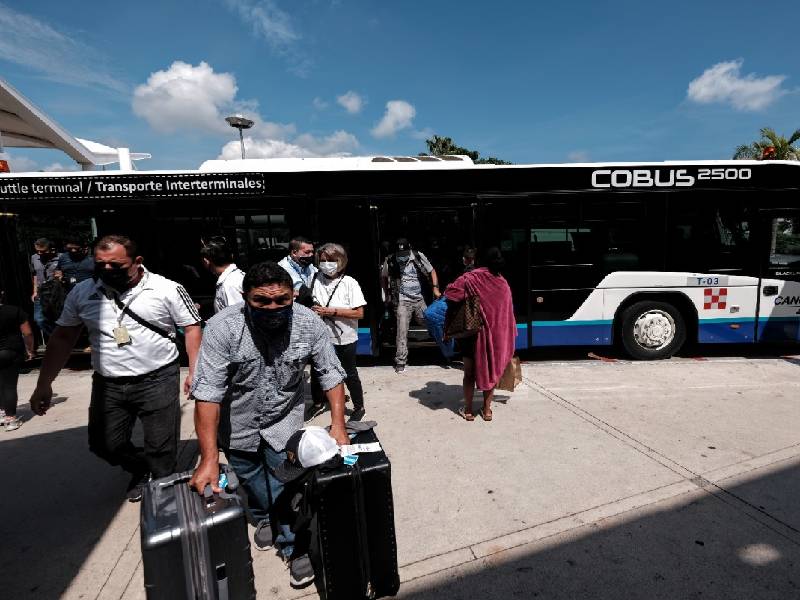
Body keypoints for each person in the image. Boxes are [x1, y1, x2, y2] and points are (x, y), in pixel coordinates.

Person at [188, 261, 348, 589]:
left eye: (281, 300)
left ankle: (294, 546)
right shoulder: (222, 328)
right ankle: (263, 518)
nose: (272, 307)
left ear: (294, 296)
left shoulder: (309, 324)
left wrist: (338, 424)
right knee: (252, 484)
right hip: (237, 427)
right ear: (245, 297)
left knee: (287, 488)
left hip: (284, 423)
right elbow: (207, 393)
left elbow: (330, 372)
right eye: (262, 301)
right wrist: (208, 458)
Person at [28, 234, 202, 502]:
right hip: (108, 382)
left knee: (162, 448)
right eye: (101, 264)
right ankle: (141, 467)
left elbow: (191, 327)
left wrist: (194, 369)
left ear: (137, 261)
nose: (107, 270)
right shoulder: (82, 292)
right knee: (104, 444)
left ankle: (163, 496)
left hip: (157, 378)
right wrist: (44, 384)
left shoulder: (166, 289)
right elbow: (63, 338)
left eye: (116, 265)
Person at [444, 247, 515, 422]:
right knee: (491, 372)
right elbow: (507, 315)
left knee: (469, 373)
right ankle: (487, 410)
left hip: (472, 335)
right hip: (495, 338)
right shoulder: (503, 284)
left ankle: (468, 411)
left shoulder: (471, 278)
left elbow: (451, 294)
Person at [308, 243, 367, 421]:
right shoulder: (315, 278)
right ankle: (318, 403)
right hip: (320, 335)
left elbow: (359, 313)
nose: (327, 264)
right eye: (323, 260)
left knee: (349, 371)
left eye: (331, 260)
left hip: (345, 335)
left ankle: (359, 406)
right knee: (318, 371)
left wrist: (331, 311)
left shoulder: (350, 283)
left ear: (340, 261)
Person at [381, 238, 440, 373]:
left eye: (404, 254)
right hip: (402, 300)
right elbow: (383, 276)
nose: (402, 258)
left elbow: (432, 271)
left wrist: (435, 288)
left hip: (420, 299)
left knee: (431, 321)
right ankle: (401, 361)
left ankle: (445, 349)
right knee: (401, 330)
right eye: (400, 255)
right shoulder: (390, 260)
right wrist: (386, 294)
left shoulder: (418, 256)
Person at [0, 289, 35, 431]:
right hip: (11, 350)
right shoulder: (14, 311)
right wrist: (30, 349)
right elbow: (28, 333)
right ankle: (11, 419)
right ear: (2, 293)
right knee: (9, 385)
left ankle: (2, 412)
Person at [200, 237, 245, 313]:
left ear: (206, 261)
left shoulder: (229, 285)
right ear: (231, 256)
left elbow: (236, 319)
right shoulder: (235, 277)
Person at [30, 237, 59, 343]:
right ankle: (58, 339)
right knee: (39, 319)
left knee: (57, 319)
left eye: (42, 251)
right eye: (37, 251)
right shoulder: (34, 258)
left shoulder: (60, 258)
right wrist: (35, 291)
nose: (39, 253)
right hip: (41, 293)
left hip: (56, 293)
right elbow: (35, 275)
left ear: (51, 249)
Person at [278, 236, 317, 301]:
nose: (311, 255)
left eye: (312, 252)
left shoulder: (308, 265)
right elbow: (299, 289)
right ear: (294, 253)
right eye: (307, 252)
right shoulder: (282, 268)